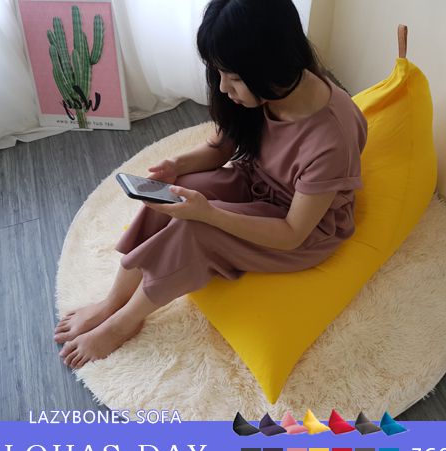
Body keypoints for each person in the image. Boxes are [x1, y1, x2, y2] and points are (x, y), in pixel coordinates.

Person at [55, 0, 368, 369]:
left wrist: (210, 214)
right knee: (176, 193)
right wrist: (176, 165)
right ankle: (112, 301)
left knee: (196, 229)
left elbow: (292, 233)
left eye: (232, 78)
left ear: (269, 64)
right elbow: (222, 148)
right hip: (256, 181)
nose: (222, 87)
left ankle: (125, 321)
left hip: (301, 228)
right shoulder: (269, 88)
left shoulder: (330, 138)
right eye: (219, 73)